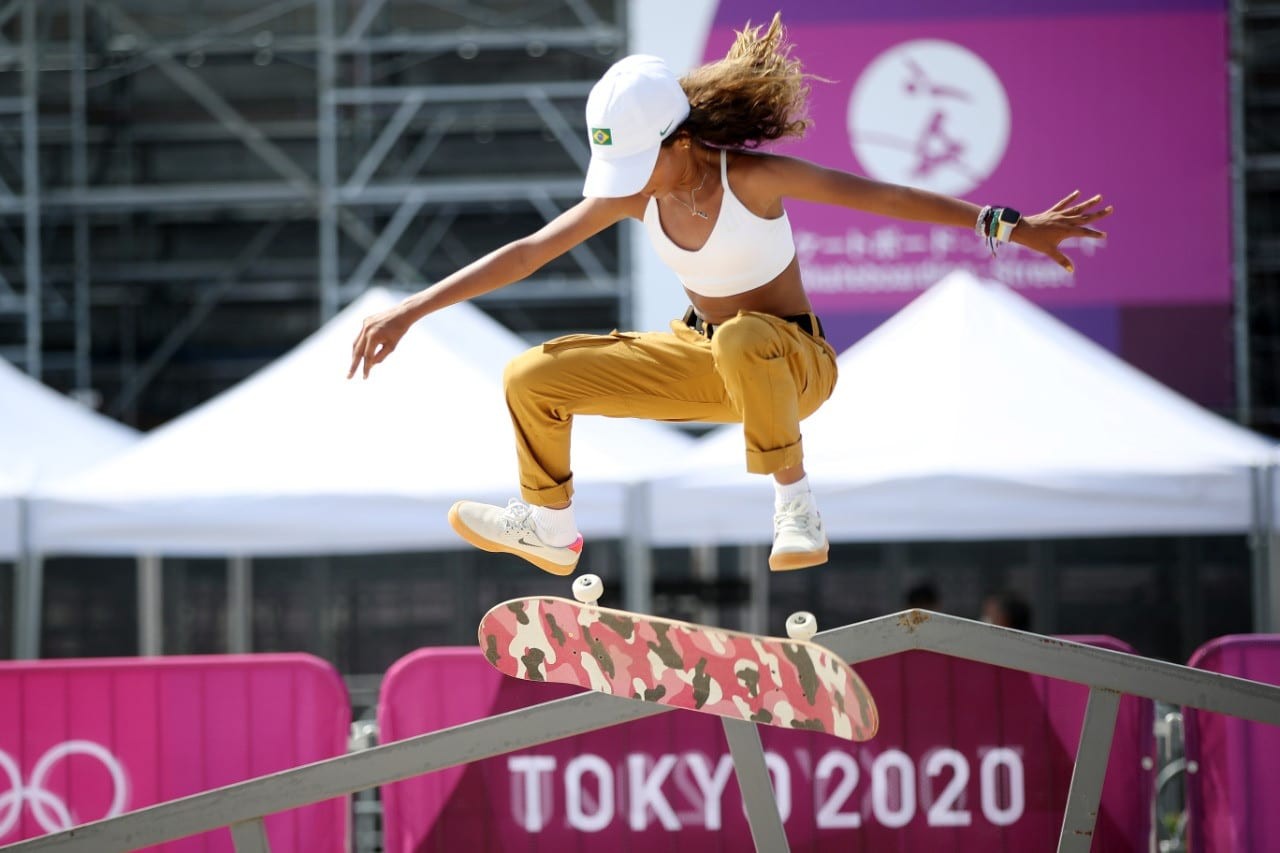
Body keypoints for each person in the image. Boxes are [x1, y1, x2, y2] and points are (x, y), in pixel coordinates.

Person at [348, 15, 1111, 577]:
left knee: (746, 334)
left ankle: (796, 502)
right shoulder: (632, 194)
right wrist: (413, 311)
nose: (627, 188)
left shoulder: (752, 179)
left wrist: (1008, 226)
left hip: (794, 364)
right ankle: (550, 525)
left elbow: (886, 197)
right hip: (702, 359)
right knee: (531, 377)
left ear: (679, 144)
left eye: (639, 166)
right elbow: (528, 252)